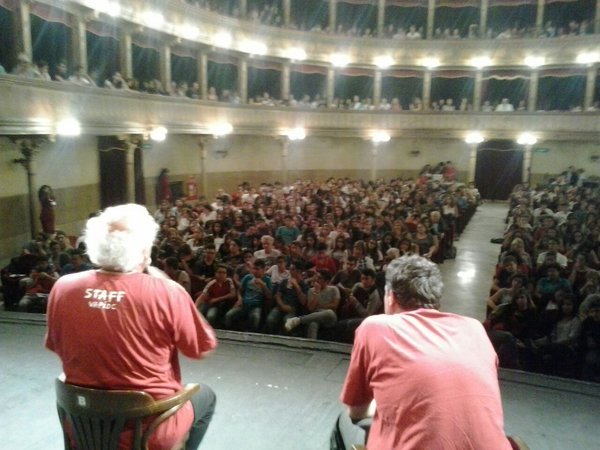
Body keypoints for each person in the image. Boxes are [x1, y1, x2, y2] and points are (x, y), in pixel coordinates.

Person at [45, 204, 217, 450]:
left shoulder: (62, 287)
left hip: (83, 424)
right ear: (143, 249)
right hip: (148, 430)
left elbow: (56, 346)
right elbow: (202, 349)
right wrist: (169, 287)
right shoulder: (167, 292)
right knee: (206, 396)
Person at [334, 255, 513, 450]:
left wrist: (388, 404)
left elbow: (356, 411)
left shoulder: (376, 327)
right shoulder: (475, 329)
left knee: (343, 422)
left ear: (390, 296)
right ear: (436, 300)